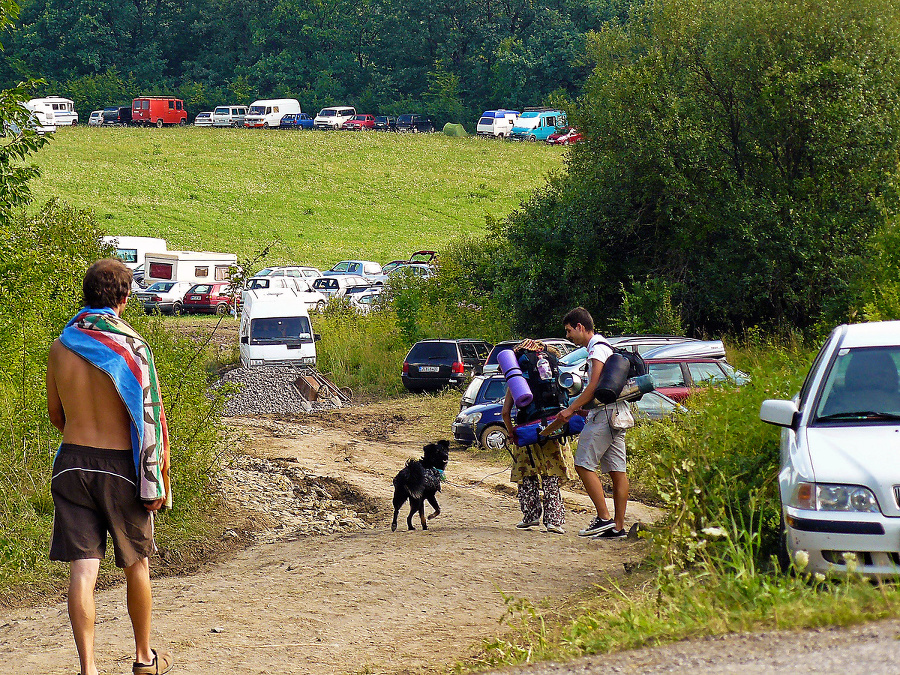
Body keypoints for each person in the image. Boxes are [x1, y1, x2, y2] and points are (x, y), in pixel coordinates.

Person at [46, 258, 173, 675]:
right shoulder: (133, 348)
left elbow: (56, 415)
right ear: (123, 297)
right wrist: (158, 477)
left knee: (83, 569)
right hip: (118, 467)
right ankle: (142, 658)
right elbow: (149, 417)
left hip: (70, 464)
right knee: (136, 562)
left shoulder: (61, 345)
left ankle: (89, 669)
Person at [557, 307, 631, 539]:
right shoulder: (607, 346)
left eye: (569, 331)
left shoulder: (597, 349)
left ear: (580, 327)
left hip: (605, 415)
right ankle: (617, 527)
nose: (568, 336)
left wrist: (571, 409)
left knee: (583, 464)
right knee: (618, 471)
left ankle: (603, 518)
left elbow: (593, 386)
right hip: (618, 414)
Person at [501, 339, 577, 534]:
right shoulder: (552, 367)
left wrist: (512, 433)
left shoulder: (518, 379)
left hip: (528, 431)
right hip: (554, 427)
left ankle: (531, 516)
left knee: (528, 475)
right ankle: (554, 521)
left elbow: (505, 412)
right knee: (551, 475)